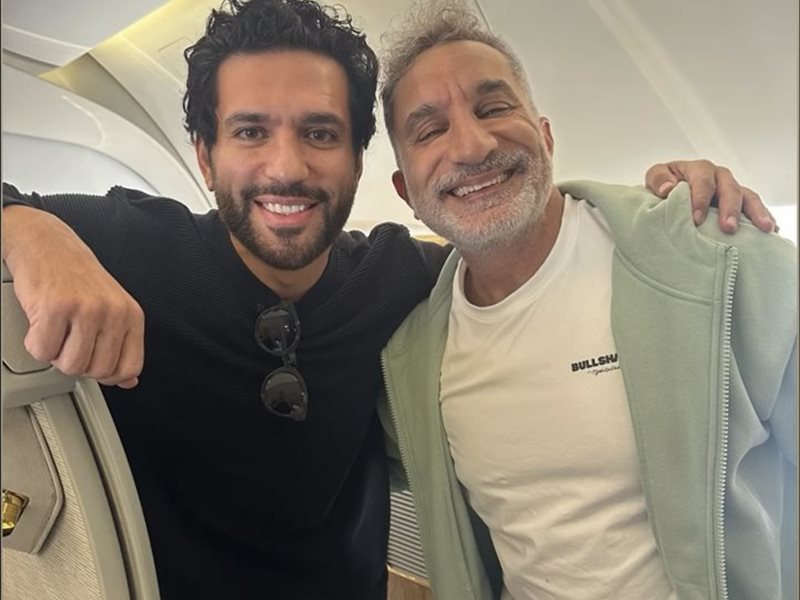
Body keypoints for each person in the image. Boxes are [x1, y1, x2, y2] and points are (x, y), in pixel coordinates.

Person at [0, 0, 780, 598]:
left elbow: (517, 244)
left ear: (361, 163)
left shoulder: (407, 281)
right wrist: (28, 228)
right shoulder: (129, 241)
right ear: (204, 157)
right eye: (249, 133)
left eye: (320, 133)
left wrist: (669, 205)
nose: (287, 167)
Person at [377, 2, 797, 600]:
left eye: (493, 108)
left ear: (546, 136)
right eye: (430, 131)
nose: (471, 145)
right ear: (406, 191)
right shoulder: (412, 361)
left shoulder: (716, 260)